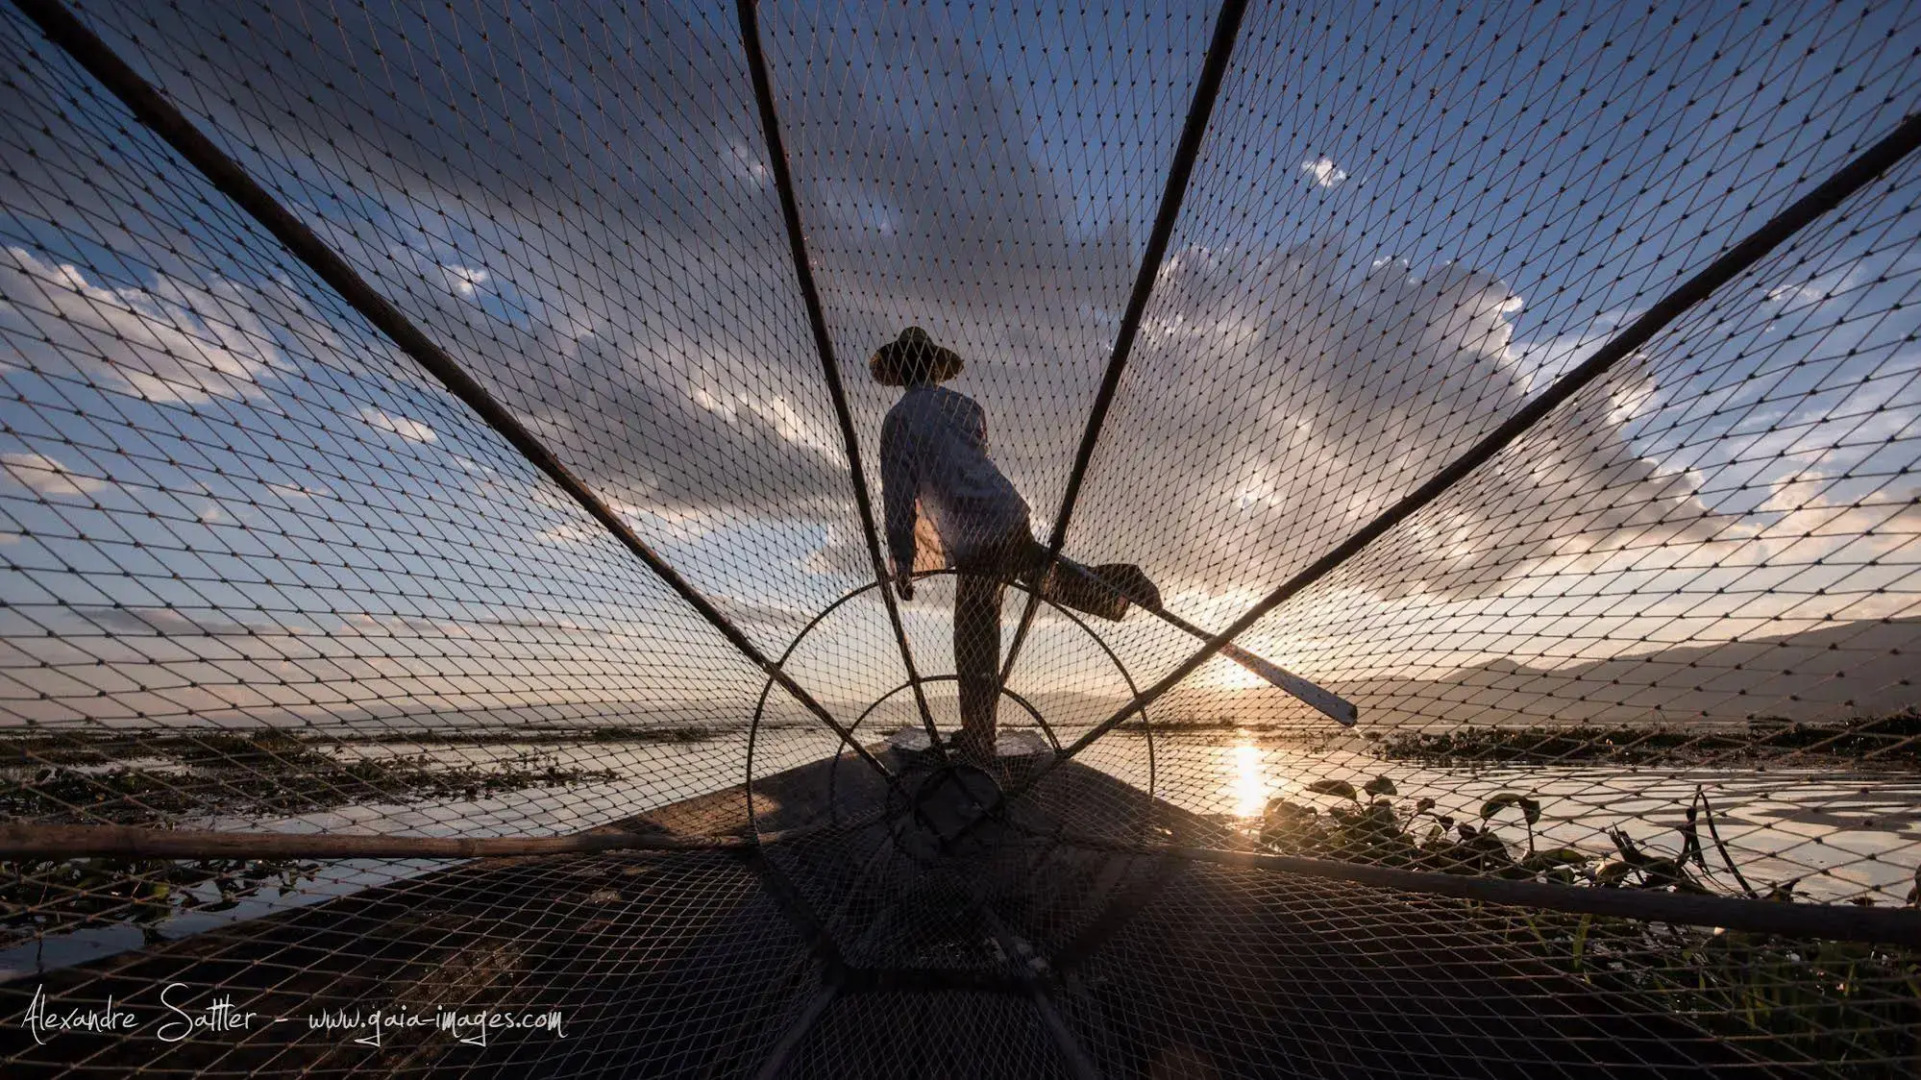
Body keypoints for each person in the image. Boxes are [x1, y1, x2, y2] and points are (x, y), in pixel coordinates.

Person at [873, 326, 1160, 764]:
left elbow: (898, 495)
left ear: (902, 371)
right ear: (933, 368)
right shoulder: (966, 407)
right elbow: (972, 458)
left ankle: (977, 738)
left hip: (976, 537)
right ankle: (1122, 582)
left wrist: (903, 561)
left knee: (973, 636)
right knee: (1049, 579)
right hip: (1006, 514)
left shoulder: (898, 421)